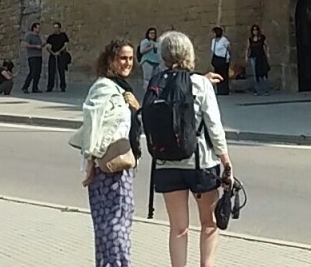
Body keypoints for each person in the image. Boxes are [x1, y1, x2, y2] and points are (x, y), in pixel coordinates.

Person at [153, 31, 232, 267]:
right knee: (209, 223)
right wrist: (226, 161)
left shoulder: (157, 83)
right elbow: (215, 127)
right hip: (201, 163)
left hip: (167, 164)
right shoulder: (200, 84)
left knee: (178, 228)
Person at [69, 38, 142, 267]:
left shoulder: (121, 88)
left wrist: (136, 108)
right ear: (111, 60)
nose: (127, 63)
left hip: (120, 165)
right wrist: (90, 161)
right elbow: (93, 124)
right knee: (113, 225)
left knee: (114, 223)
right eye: (122, 58)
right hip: (107, 166)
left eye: (130, 59)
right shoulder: (104, 87)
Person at [45, 22, 71, 93]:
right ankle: (50, 87)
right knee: (51, 71)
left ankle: (63, 86)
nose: (55, 29)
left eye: (57, 27)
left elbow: (65, 44)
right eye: (54, 28)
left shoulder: (63, 35)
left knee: (61, 71)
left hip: (61, 55)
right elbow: (48, 46)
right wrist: (53, 53)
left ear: (59, 28)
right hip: (53, 55)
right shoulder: (51, 37)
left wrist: (59, 51)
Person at [247, 25, 271, 96]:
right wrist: (246, 56)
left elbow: (266, 45)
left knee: (264, 73)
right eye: (253, 30)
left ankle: (266, 90)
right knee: (255, 74)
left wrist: (268, 53)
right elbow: (248, 48)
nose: (255, 31)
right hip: (253, 57)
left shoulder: (262, 38)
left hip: (261, 56)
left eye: (256, 30)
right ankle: (257, 90)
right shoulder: (250, 39)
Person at [21, 22, 44, 94]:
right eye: (38, 27)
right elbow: (25, 45)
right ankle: (25, 87)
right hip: (32, 56)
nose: (39, 29)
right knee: (32, 72)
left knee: (38, 72)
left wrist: (42, 45)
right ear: (34, 28)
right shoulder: (30, 36)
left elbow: (39, 45)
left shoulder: (38, 37)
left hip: (39, 56)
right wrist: (35, 46)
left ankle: (35, 87)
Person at [210, 27, 231, 97]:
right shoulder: (213, 41)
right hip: (217, 58)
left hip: (223, 59)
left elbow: (229, 47)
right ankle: (219, 90)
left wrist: (227, 55)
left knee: (224, 74)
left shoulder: (224, 40)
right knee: (218, 74)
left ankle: (225, 90)